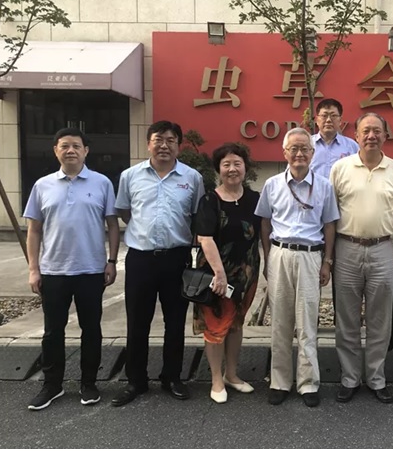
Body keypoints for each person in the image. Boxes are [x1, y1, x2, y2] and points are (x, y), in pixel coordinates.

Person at [23, 127, 119, 410]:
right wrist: (33, 269)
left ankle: (89, 383)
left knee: (91, 330)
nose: (70, 151)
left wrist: (112, 261)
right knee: (53, 332)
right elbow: (34, 230)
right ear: (56, 150)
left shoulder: (102, 183)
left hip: (91, 270)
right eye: (64, 145)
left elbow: (112, 225)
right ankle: (52, 385)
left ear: (86, 151)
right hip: (54, 271)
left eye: (76, 146)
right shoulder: (42, 185)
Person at [111, 121, 204, 407]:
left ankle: (172, 377)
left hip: (177, 258)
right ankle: (136, 380)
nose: (164, 145)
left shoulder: (192, 177)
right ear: (148, 143)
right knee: (137, 322)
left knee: (175, 322)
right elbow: (125, 212)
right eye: (158, 139)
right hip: (140, 259)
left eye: (171, 140)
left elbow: (197, 216)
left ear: (178, 145)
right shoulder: (130, 176)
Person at [255, 127, 340, 408]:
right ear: (285, 153)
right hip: (280, 254)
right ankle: (279, 381)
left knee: (307, 323)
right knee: (280, 322)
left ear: (312, 153)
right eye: (294, 148)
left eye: (305, 148)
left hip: (311, 257)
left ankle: (308, 383)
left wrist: (327, 261)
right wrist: (268, 258)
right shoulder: (272, 185)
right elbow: (264, 221)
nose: (299, 153)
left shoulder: (324, 186)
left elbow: (330, 225)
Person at [330, 112, 393, 404]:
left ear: (385, 135)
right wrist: (328, 256)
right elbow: (330, 214)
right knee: (346, 318)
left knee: (380, 319)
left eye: (377, 130)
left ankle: (376, 378)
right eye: (366, 131)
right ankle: (349, 378)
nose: (371, 136)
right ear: (356, 136)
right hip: (346, 247)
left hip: (382, 248)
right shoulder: (340, 168)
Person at [193, 143, 261, 404]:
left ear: (245, 167)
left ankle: (232, 374)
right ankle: (216, 379)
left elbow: (264, 233)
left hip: (247, 274)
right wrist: (219, 274)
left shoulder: (255, 199)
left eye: (237, 163)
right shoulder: (210, 200)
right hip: (215, 274)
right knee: (215, 327)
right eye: (226, 164)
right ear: (218, 169)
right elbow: (205, 238)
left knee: (236, 324)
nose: (232, 169)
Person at [309, 98, 359, 179]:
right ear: (317, 120)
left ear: (340, 120)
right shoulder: (307, 144)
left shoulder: (352, 146)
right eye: (324, 116)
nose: (328, 120)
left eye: (333, 116)